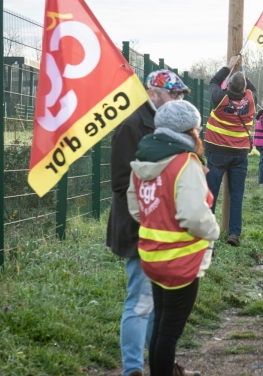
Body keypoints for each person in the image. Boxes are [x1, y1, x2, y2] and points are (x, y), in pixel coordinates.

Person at [127, 100, 219, 376]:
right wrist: (214, 230)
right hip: (182, 262)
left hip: (152, 258)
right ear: (189, 131)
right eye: (197, 129)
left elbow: (135, 208)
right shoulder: (185, 163)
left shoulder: (142, 160)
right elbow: (193, 216)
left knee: (160, 329)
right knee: (168, 334)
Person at [107, 69, 190, 376]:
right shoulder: (131, 126)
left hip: (163, 233)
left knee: (159, 305)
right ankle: (132, 371)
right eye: (175, 95)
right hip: (138, 231)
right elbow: (120, 182)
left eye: (181, 96)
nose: (179, 100)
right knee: (140, 303)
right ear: (153, 94)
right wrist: (151, 213)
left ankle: (161, 367)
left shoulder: (168, 125)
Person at [204, 55, 258, 247]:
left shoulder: (219, 98)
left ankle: (208, 234)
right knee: (236, 196)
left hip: (217, 153)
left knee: (211, 194)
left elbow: (213, 81)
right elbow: (252, 88)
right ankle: (234, 233)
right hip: (239, 155)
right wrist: (242, 70)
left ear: (228, 86)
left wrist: (229, 66)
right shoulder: (251, 99)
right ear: (244, 89)